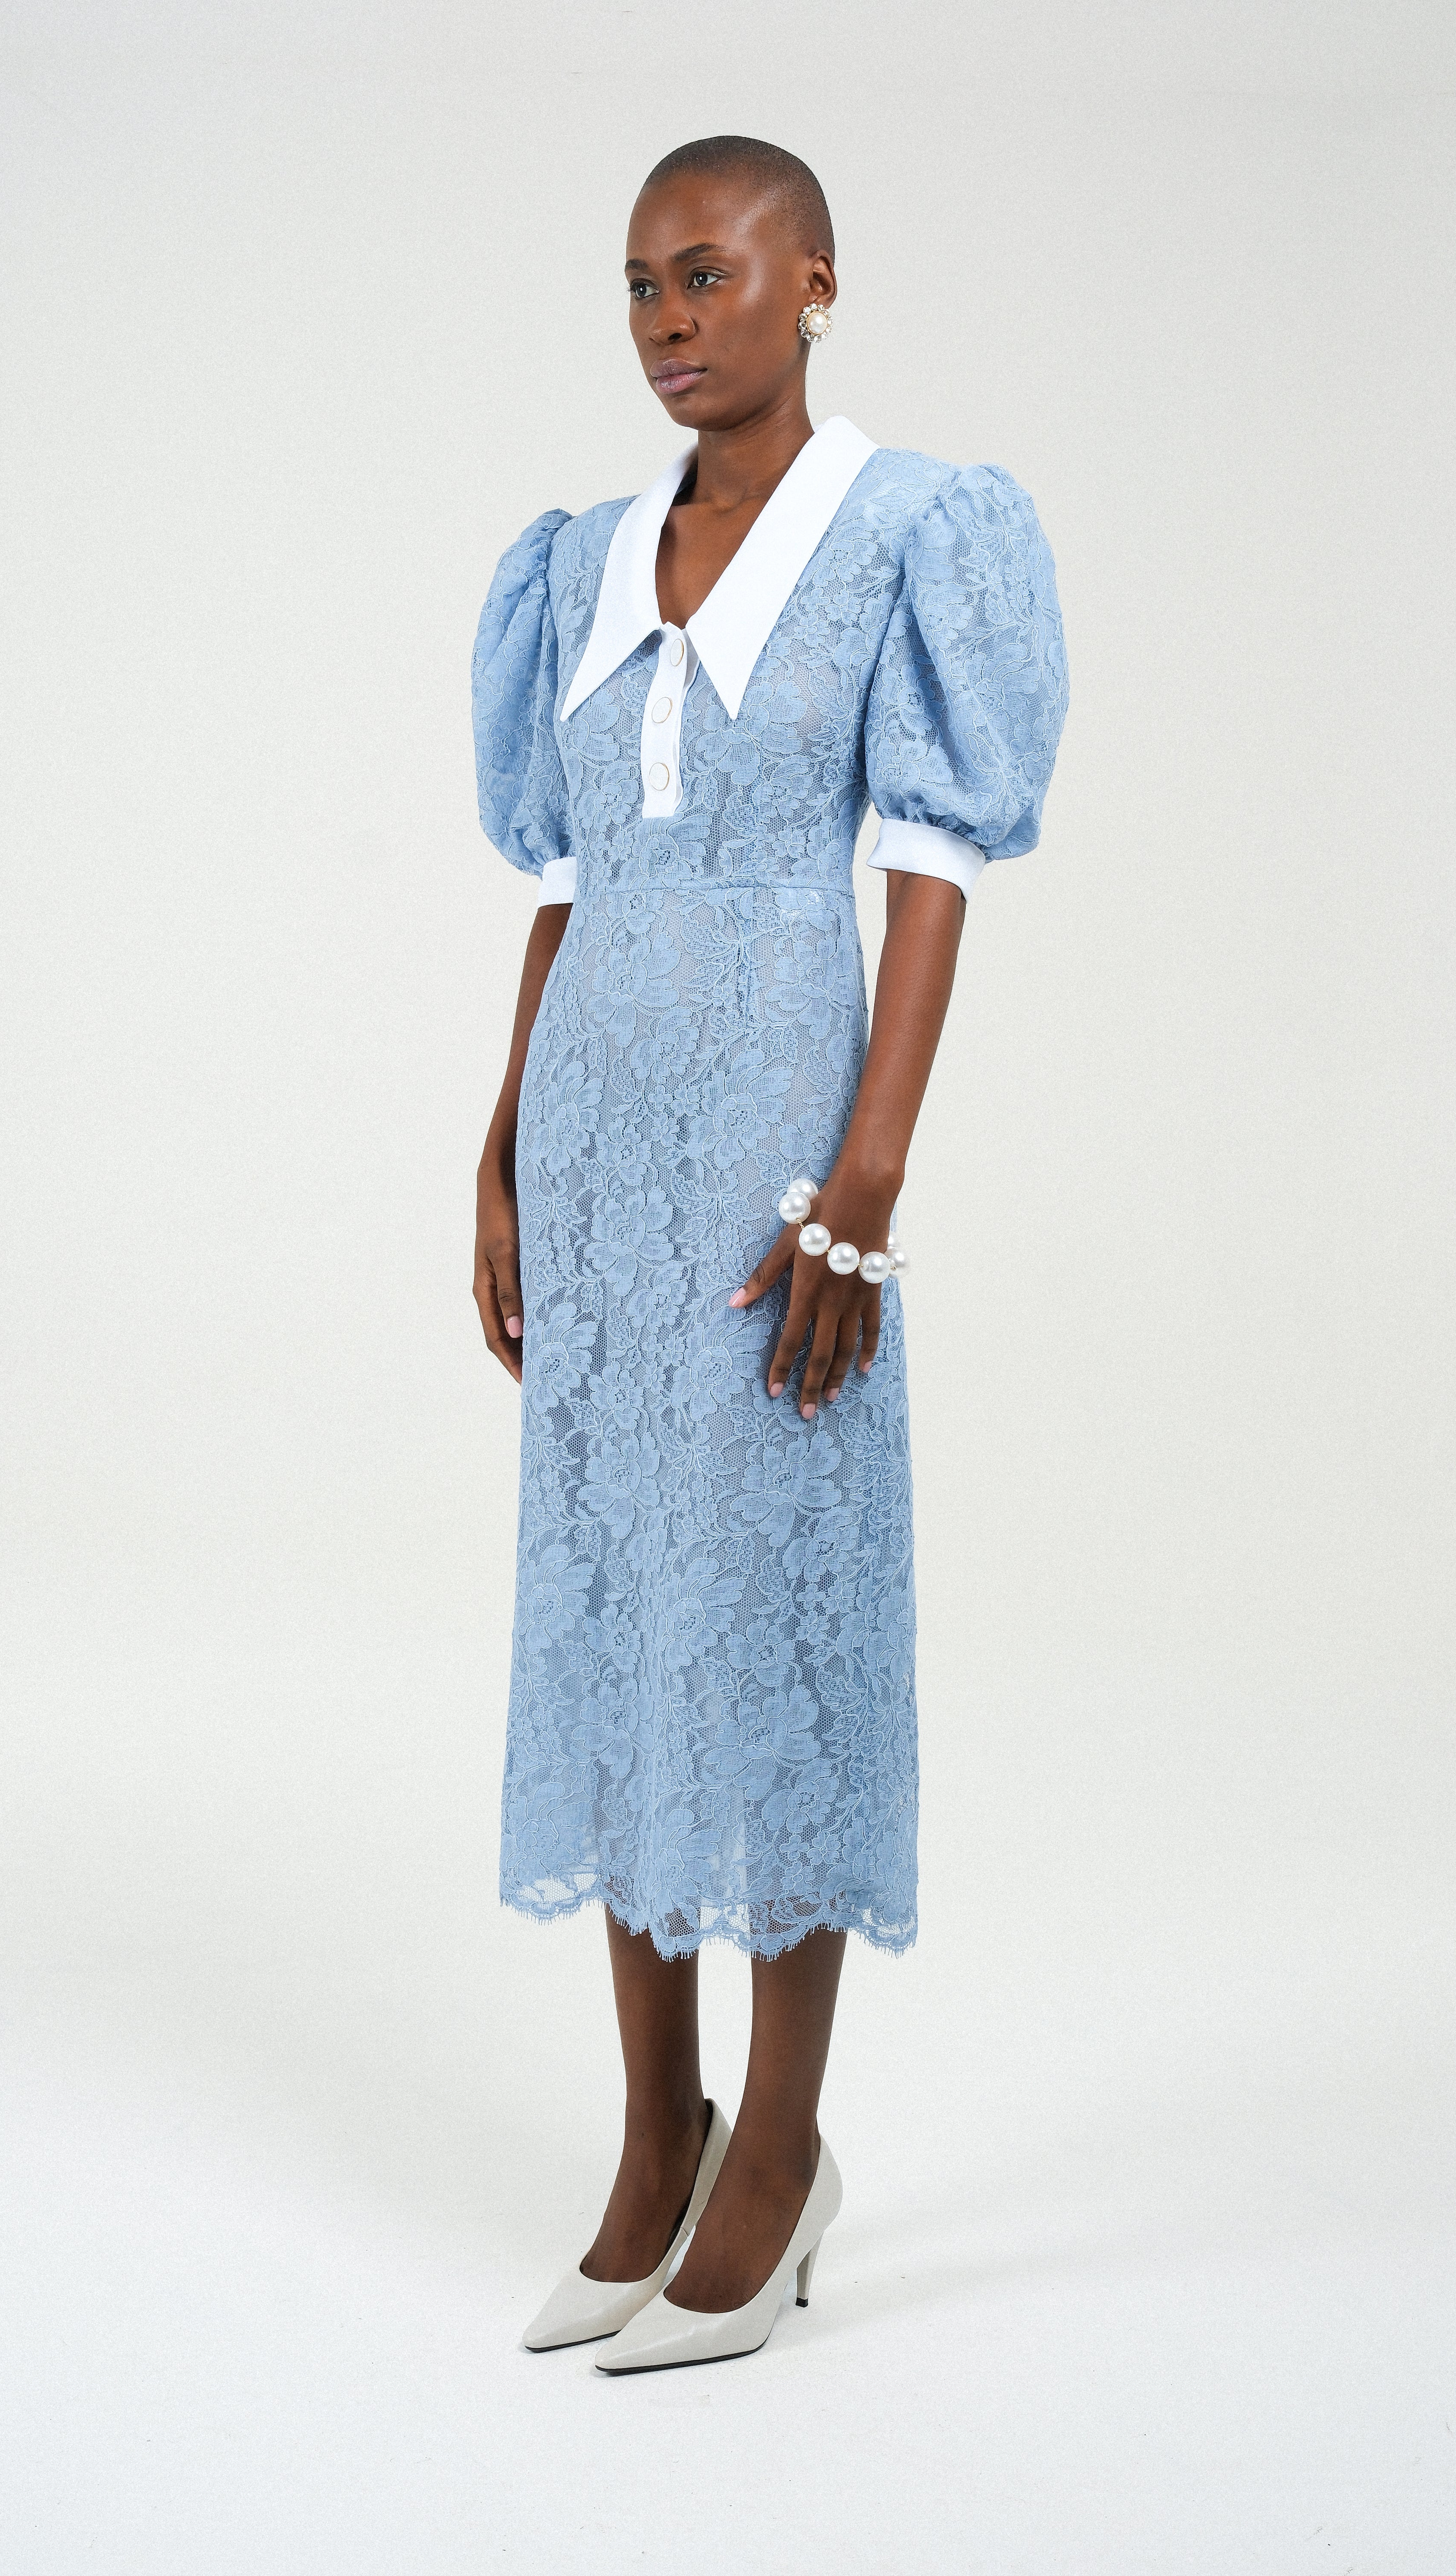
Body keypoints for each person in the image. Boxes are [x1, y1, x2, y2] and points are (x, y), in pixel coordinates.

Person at [470, 134, 1068, 2372]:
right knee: (616, 1596)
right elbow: (566, 881)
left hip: (776, 1150)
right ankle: (659, 2135)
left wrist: (867, 1179)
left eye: (707, 275)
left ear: (814, 280)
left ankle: (786, 2147)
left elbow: (931, 868)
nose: (668, 321)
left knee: (774, 1610)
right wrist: (501, 1143)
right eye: (640, 285)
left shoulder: (904, 535)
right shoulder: (580, 562)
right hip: (597, 1145)